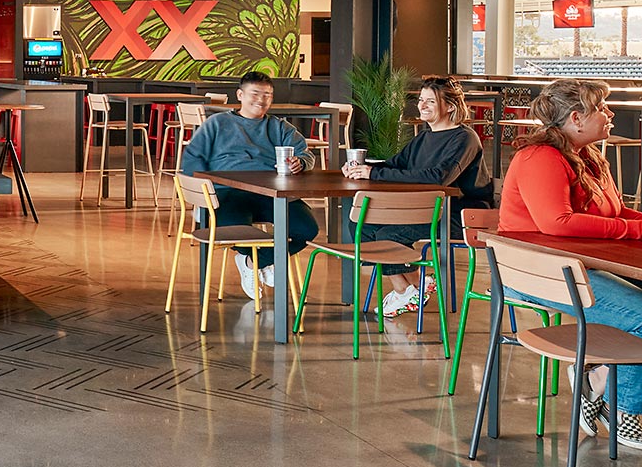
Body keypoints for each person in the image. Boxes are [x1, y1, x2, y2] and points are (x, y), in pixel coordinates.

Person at [497, 78, 642, 453]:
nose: (610, 113)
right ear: (576, 118)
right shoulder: (540, 157)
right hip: (539, 273)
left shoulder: (588, 157)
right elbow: (557, 223)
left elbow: (614, 212)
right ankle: (622, 410)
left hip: (582, 265)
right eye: (602, 108)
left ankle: (597, 378)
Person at [344, 75, 489, 317]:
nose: (422, 105)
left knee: (388, 234)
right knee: (361, 224)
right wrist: (361, 168)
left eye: (430, 101)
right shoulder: (424, 136)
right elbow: (394, 165)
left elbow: (439, 177)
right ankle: (410, 287)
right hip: (426, 210)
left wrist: (374, 173)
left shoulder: (465, 138)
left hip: (460, 215)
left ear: (450, 106)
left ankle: (415, 285)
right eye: (421, 100)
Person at [177, 72, 317, 304]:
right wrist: (200, 198)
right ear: (240, 95)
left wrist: (300, 163)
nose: (261, 100)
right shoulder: (217, 124)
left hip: (272, 194)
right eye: (255, 94)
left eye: (267, 95)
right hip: (227, 194)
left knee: (307, 229)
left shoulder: (280, 127)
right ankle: (261, 259)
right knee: (238, 232)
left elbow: (306, 154)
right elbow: (192, 159)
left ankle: (253, 262)